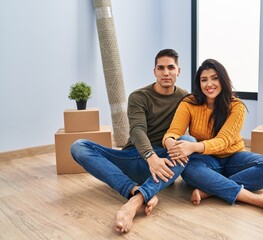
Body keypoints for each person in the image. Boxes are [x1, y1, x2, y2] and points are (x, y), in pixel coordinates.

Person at [70, 49, 189, 234]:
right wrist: (150, 157)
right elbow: (137, 130)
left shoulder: (185, 97)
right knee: (79, 146)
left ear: (178, 71)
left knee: (189, 141)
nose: (166, 72)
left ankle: (137, 200)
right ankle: (133, 189)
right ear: (154, 71)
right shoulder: (139, 96)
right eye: (161, 68)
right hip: (134, 157)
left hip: (164, 160)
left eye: (171, 67)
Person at [163, 58, 263, 215]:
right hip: (206, 160)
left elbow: (223, 141)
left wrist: (194, 146)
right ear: (199, 84)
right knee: (188, 169)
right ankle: (245, 195)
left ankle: (211, 190)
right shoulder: (189, 103)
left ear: (223, 79)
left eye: (214, 78)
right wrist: (170, 142)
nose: (209, 84)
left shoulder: (236, 106)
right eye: (204, 80)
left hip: (233, 157)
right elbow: (173, 131)